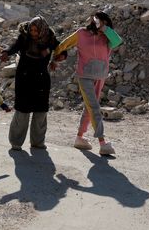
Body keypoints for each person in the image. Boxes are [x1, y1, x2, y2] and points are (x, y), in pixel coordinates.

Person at [52, 11, 123, 156]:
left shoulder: (107, 37)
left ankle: (80, 137)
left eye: (102, 21)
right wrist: (54, 58)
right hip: (85, 76)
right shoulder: (81, 33)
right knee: (94, 106)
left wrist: (104, 29)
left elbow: (118, 41)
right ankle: (102, 142)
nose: (98, 22)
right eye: (97, 20)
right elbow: (63, 45)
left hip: (100, 75)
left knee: (90, 106)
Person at [0, 16, 60, 151]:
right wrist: (7, 52)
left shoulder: (50, 38)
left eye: (36, 30)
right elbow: (15, 47)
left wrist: (57, 58)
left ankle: (38, 142)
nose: (33, 33)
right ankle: (16, 142)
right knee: (22, 110)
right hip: (24, 78)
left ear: (42, 30)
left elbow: (61, 48)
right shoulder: (24, 37)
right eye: (31, 30)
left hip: (41, 78)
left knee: (41, 111)